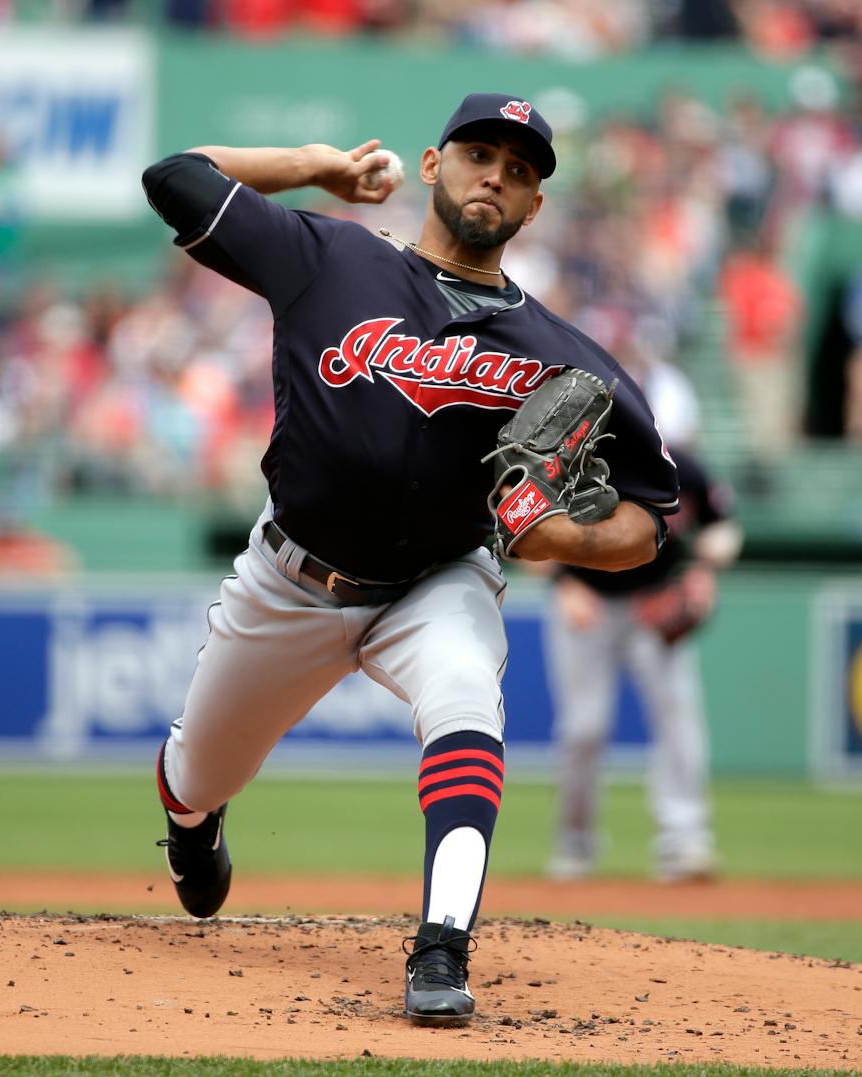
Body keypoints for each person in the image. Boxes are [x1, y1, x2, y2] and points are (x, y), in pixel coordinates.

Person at [140, 93, 679, 1026]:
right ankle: (194, 826)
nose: (496, 177)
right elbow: (176, 178)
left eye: (521, 171)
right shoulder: (332, 257)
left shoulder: (562, 355)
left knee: (468, 694)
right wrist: (314, 163)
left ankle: (442, 946)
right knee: (197, 775)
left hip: (437, 580)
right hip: (290, 579)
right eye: (479, 154)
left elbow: (652, 516)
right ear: (433, 166)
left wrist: (565, 540)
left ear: (534, 207)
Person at [545, 441, 741, 883]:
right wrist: (562, 583)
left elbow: (722, 529)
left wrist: (703, 572)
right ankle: (575, 843)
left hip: (655, 603)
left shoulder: (682, 466)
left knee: (677, 715)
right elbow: (525, 528)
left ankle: (686, 841)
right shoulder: (574, 461)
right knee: (583, 727)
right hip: (588, 602)